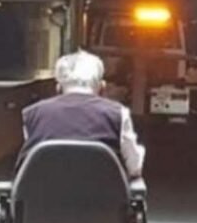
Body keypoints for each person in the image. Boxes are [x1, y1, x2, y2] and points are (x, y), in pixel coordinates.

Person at [15, 49, 145, 177]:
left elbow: (26, 167)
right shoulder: (118, 114)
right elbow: (134, 168)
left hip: (46, 191)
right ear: (102, 88)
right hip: (100, 191)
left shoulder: (33, 115)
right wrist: (140, 152)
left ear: (58, 89)